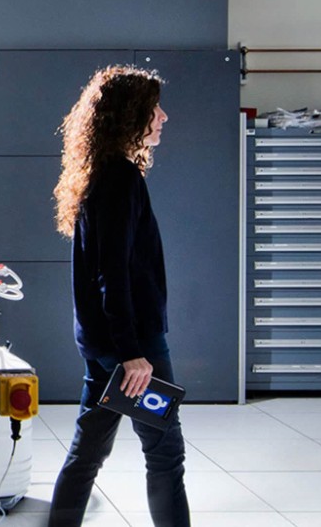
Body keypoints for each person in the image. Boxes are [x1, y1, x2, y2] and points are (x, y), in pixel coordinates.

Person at [48, 65, 189, 527]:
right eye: (154, 109)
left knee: (89, 448)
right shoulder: (119, 180)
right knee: (165, 453)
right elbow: (112, 274)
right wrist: (133, 354)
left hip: (104, 343)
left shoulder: (102, 176)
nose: (163, 117)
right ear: (130, 116)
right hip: (133, 349)